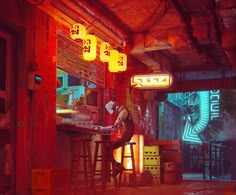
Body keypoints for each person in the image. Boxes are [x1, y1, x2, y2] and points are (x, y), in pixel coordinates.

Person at [105, 100, 135, 174]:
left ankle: (117, 166)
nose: (115, 112)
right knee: (108, 147)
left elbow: (115, 126)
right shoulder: (124, 110)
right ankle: (117, 166)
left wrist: (104, 128)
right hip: (126, 136)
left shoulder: (123, 112)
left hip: (125, 137)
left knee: (107, 147)